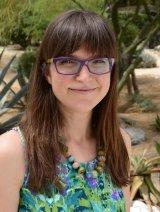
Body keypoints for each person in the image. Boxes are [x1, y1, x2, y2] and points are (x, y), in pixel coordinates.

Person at [0, 10, 131, 211]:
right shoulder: (11, 152)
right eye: (68, 62)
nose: (84, 77)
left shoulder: (119, 143)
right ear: (47, 73)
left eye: (98, 62)